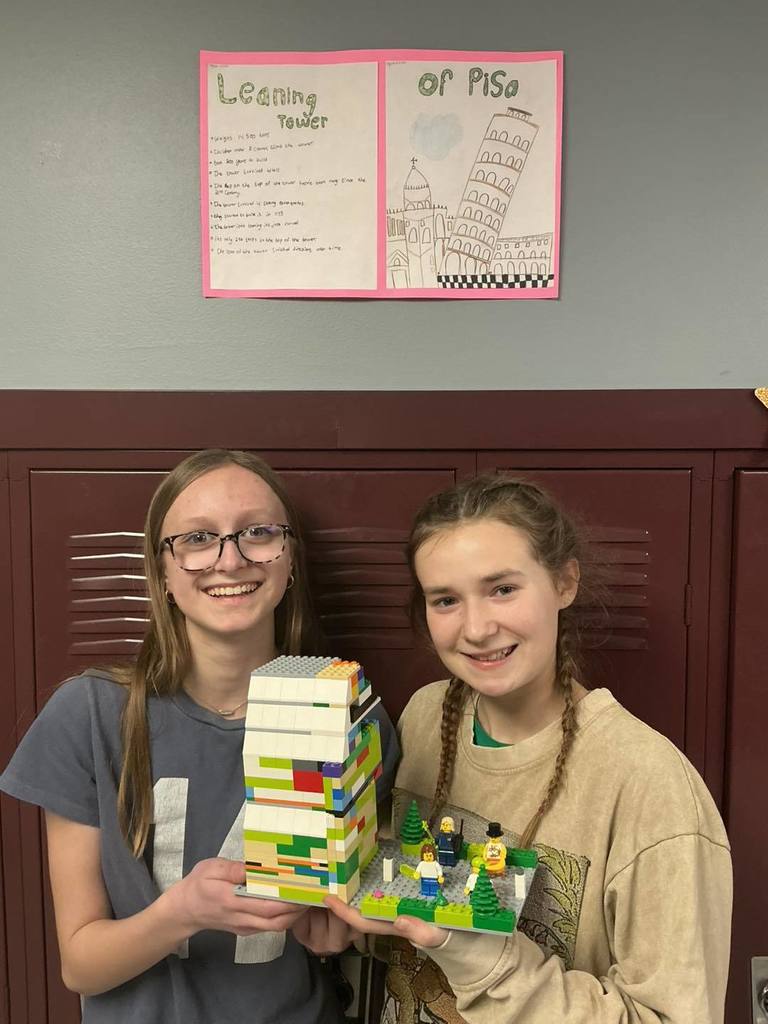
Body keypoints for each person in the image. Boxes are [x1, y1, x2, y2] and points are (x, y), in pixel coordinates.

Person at [0, 448, 398, 1024]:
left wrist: (341, 926)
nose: (229, 560)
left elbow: (352, 915)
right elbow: (80, 966)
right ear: (160, 571)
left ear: (289, 560)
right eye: (196, 539)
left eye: (258, 533)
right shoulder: (86, 715)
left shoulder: (352, 715)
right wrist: (181, 912)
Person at [317, 474, 732, 1024]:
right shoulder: (423, 715)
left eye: (503, 589)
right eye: (446, 600)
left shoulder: (650, 785)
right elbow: (404, 918)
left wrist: (476, 954)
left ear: (564, 583)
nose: (477, 628)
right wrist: (352, 930)